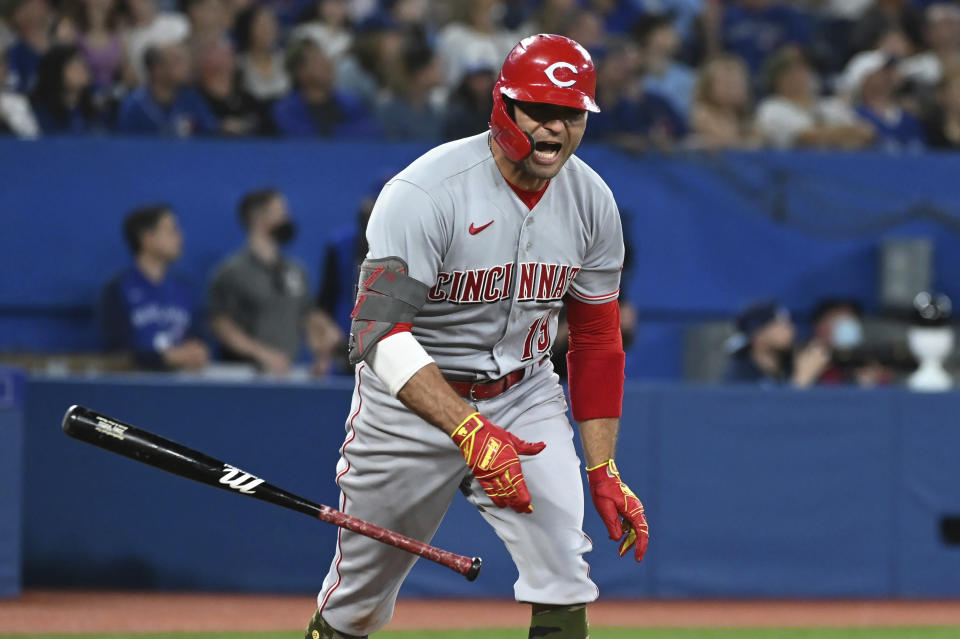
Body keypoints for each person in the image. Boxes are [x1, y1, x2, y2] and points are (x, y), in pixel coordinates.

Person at [305, 34, 648, 639]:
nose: (557, 128)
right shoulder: (424, 193)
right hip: (411, 401)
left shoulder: (592, 201)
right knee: (356, 603)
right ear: (502, 107)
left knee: (565, 570)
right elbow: (379, 334)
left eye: (572, 115)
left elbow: (596, 336)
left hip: (523, 393)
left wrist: (603, 466)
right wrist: (466, 428)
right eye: (540, 110)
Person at [207, 188, 341, 375]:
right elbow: (221, 324)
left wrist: (322, 352)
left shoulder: (296, 271)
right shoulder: (232, 272)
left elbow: (306, 317)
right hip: (243, 375)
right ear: (258, 217)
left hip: (287, 372)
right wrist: (262, 354)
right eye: (281, 212)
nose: (287, 218)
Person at [99, 204, 210, 371]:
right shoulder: (117, 289)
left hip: (181, 383)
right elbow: (117, 350)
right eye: (172, 231)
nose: (180, 237)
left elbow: (198, 337)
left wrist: (199, 350)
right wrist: (165, 358)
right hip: (135, 384)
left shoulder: (185, 288)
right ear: (147, 238)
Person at [754, 46, 874, 149]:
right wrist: (843, 133)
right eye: (791, 72)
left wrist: (833, 133)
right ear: (777, 78)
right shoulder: (771, 108)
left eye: (803, 70)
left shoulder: (829, 105)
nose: (799, 76)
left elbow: (867, 132)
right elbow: (805, 137)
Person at [270, 37, 378, 138]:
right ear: (300, 72)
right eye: (317, 62)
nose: (327, 65)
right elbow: (302, 141)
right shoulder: (286, 111)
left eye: (325, 58)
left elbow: (371, 132)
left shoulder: (352, 103)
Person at [115, 40, 219, 136]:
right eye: (178, 61)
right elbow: (125, 145)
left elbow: (210, 131)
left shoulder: (191, 99)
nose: (187, 67)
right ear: (157, 69)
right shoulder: (134, 106)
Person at [723, 301, 830, 387]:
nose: (791, 329)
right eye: (781, 324)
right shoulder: (739, 377)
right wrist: (801, 380)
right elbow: (768, 413)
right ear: (758, 336)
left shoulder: (789, 365)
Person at [29, 43, 100, 133]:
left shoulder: (93, 108)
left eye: (83, 64)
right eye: (74, 66)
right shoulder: (39, 114)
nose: (83, 69)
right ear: (56, 72)